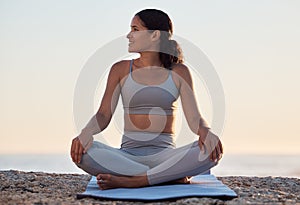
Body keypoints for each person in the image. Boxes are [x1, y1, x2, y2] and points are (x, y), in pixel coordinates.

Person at [70, 8, 223, 190]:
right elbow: (103, 114)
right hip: (127, 157)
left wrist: (206, 131)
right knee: (85, 153)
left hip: (166, 156)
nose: (129, 35)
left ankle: (136, 181)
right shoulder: (120, 69)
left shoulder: (179, 72)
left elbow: (194, 118)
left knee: (209, 151)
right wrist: (87, 132)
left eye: (135, 29)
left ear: (155, 35)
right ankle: (167, 176)